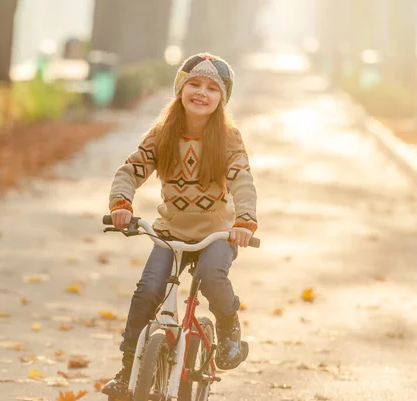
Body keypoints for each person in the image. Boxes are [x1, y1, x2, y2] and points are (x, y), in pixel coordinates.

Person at [102, 53, 258, 397]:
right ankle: (128, 368)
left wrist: (245, 220)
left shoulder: (229, 139)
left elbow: (242, 180)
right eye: (194, 84)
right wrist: (121, 204)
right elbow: (130, 171)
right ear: (180, 90)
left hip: (217, 233)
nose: (201, 93)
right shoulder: (162, 135)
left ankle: (229, 326)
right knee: (148, 291)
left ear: (222, 98)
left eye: (211, 88)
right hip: (170, 232)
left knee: (212, 276)